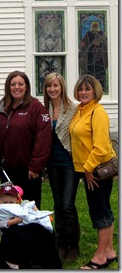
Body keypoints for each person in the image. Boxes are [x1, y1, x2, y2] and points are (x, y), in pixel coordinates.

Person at [69, 74, 117, 269]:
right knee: (102, 207)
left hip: (97, 171)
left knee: (100, 211)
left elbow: (102, 147)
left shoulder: (97, 112)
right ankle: (110, 251)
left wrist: (88, 170)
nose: (83, 92)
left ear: (95, 90)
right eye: (81, 89)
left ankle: (100, 257)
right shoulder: (81, 110)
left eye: (87, 89)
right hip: (88, 170)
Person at [0, 70, 52, 210]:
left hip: (28, 171)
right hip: (6, 170)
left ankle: (31, 232)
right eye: (13, 84)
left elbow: (43, 138)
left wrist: (35, 166)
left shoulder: (36, 108)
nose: (17, 87)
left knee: (29, 209)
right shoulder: (1, 108)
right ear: (8, 87)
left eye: (21, 84)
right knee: (9, 208)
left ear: (26, 86)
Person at [43, 72, 80, 262]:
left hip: (69, 163)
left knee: (67, 203)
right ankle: (61, 242)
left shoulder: (73, 109)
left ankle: (74, 244)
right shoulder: (44, 109)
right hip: (52, 163)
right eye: (49, 86)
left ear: (62, 87)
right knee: (58, 204)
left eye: (56, 85)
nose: (52, 89)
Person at [79, 21, 108, 92]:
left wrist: (100, 44)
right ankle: (89, 88)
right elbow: (83, 43)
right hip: (90, 57)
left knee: (100, 72)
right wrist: (82, 44)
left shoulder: (101, 34)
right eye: (94, 25)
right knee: (90, 72)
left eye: (96, 25)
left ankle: (102, 89)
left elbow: (106, 44)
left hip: (100, 57)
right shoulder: (88, 34)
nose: (95, 27)